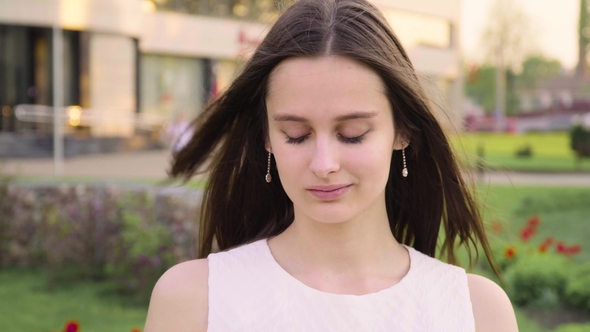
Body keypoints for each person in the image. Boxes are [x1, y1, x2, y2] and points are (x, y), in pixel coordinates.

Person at [144, 0, 518, 331]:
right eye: (295, 134)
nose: (324, 164)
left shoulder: (476, 312)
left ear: (402, 130)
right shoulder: (193, 301)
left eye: (353, 134)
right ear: (267, 137)